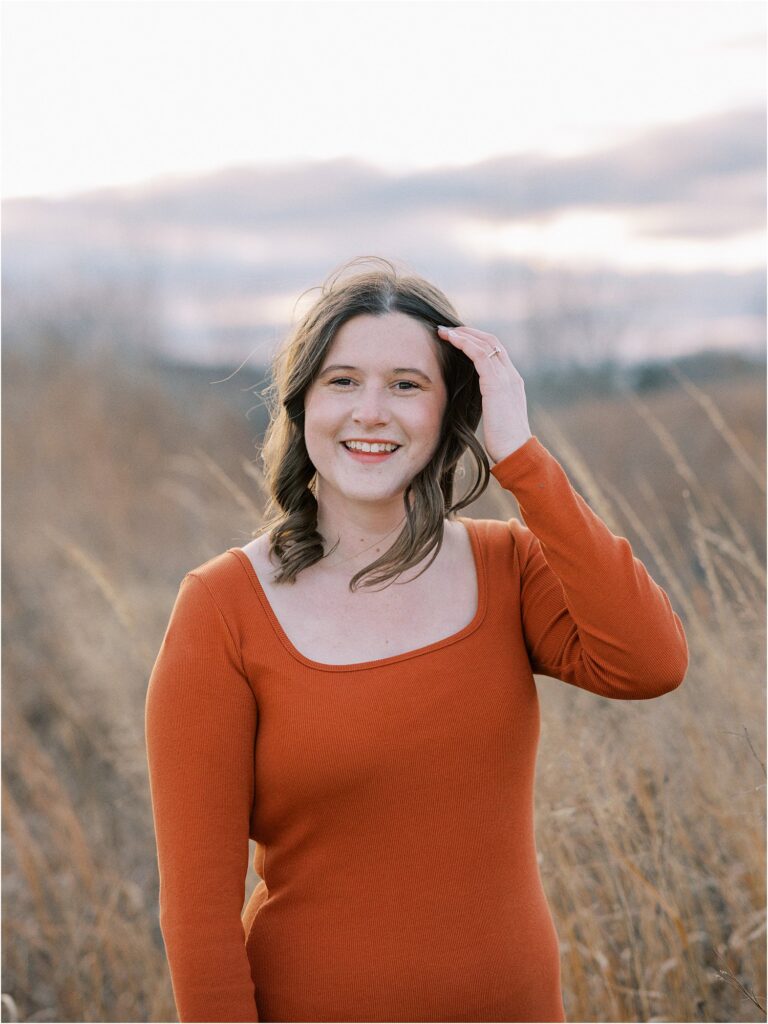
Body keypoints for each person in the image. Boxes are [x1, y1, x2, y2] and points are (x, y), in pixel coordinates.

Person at [145, 256, 689, 1023]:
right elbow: (197, 918)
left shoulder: (510, 567)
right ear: (301, 406)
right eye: (342, 381)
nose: (373, 411)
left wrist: (523, 460)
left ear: (447, 413)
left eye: (407, 384)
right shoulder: (221, 608)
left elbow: (651, 663)